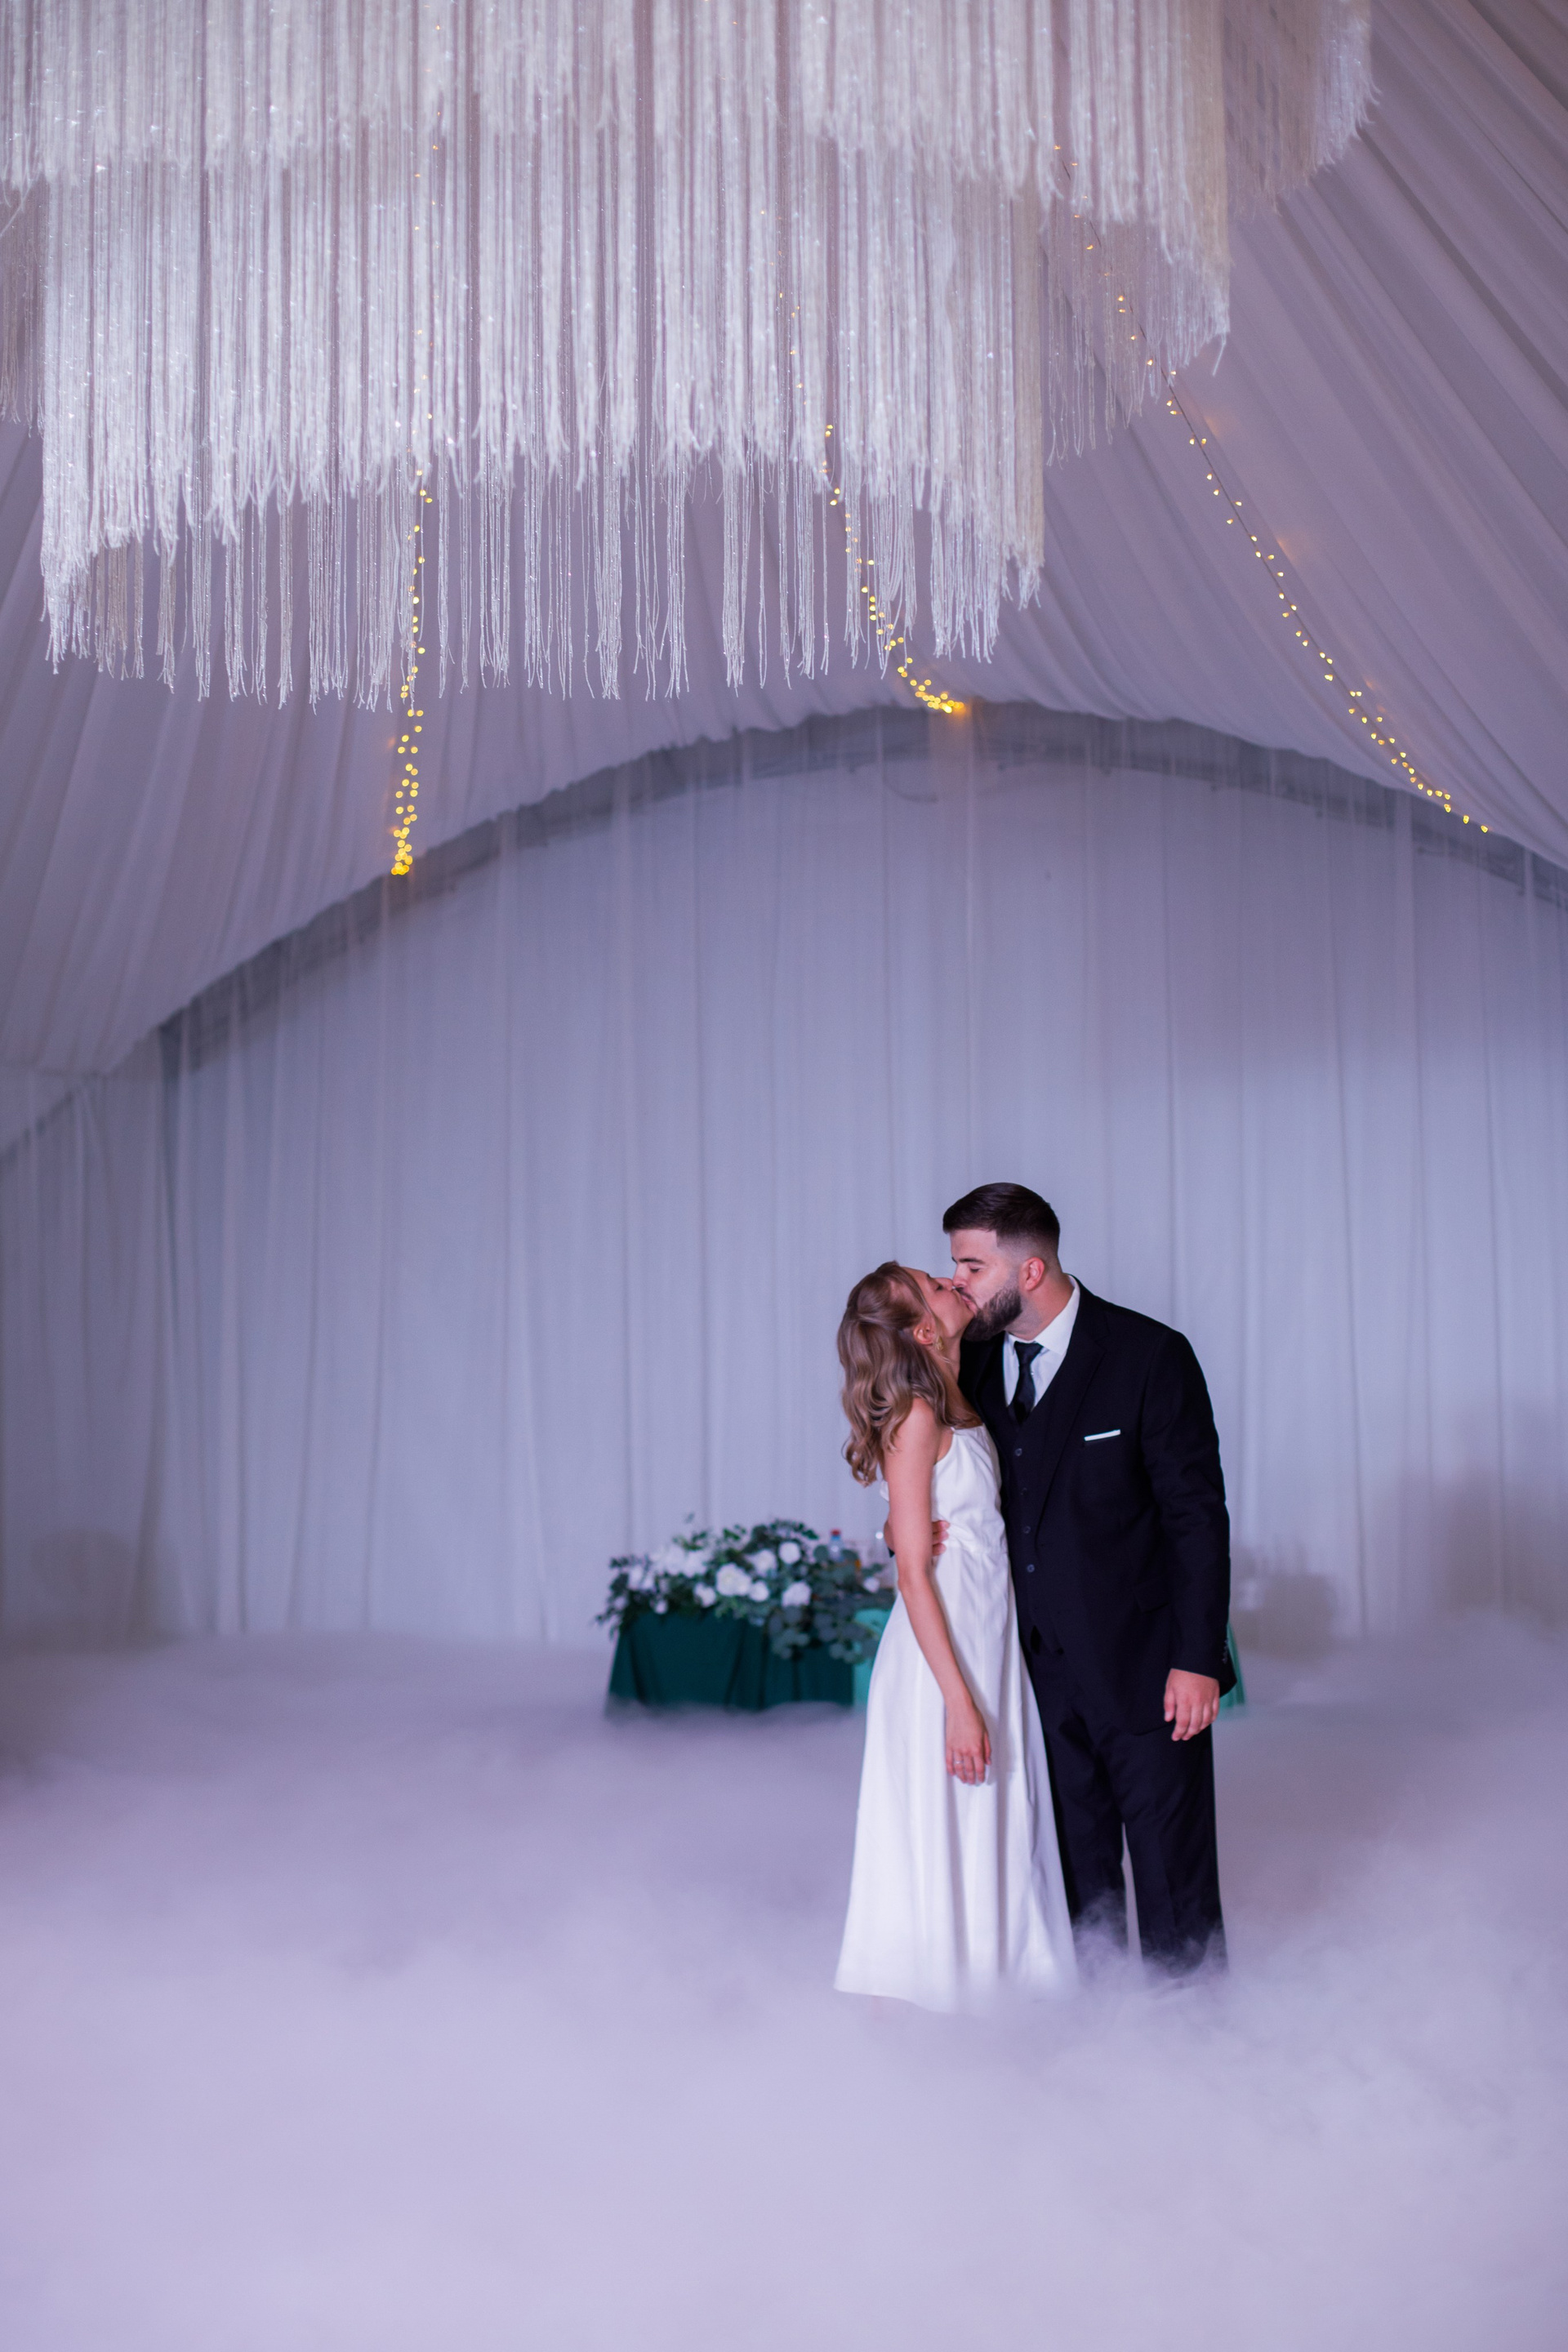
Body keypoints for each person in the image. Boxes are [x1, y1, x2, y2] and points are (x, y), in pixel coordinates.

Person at [940, 1184, 1233, 1975]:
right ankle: (1094, 2028)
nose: (958, 1282)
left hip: (1148, 1666)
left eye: (972, 1266)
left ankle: (1199, 2030)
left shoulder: (1150, 1355)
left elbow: (1196, 1518)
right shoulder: (969, 1362)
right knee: (1070, 1869)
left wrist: (1198, 1659)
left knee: (1173, 1871)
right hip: (1027, 1673)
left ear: (1030, 1270)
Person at [833, 1262, 1075, 2011]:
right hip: (944, 1655)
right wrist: (959, 1704)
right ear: (921, 1330)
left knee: (997, 1813)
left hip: (986, 1630)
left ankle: (1002, 1985)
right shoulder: (915, 1414)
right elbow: (912, 1573)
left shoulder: (956, 1389)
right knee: (957, 1814)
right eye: (936, 1284)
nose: (952, 1280)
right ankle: (951, 2001)